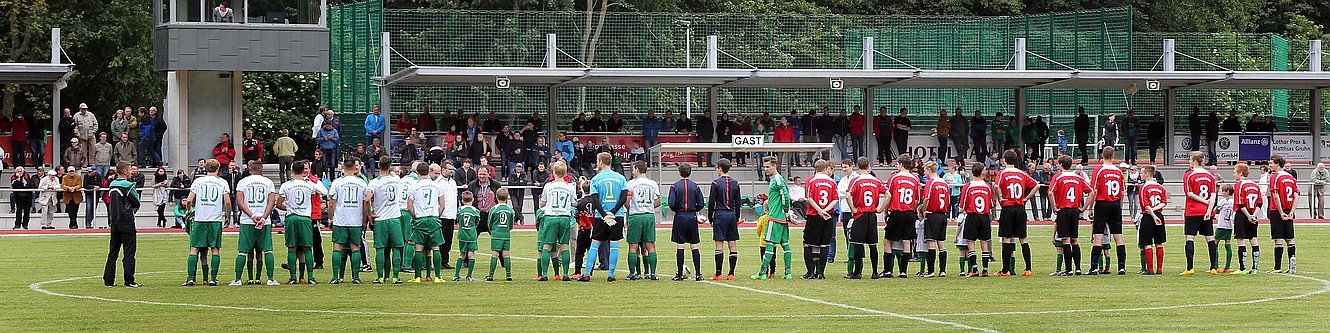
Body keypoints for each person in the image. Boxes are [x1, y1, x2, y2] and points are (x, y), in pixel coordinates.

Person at [579, 152, 629, 282]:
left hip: (601, 216)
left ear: (601, 161)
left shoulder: (596, 179)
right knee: (614, 245)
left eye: (597, 160)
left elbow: (595, 199)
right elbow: (623, 197)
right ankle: (611, 275)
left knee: (595, 244)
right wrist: (612, 212)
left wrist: (604, 214)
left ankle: (587, 274)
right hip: (616, 216)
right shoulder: (621, 178)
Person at [229, 161, 278, 286]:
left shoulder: (243, 182)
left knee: (243, 251)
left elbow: (239, 201)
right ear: (261, 170)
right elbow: (272, 202)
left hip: (247, 220)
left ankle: (238, 279)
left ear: (249, 169)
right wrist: (263, 217)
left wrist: (251, 216)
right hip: (264, 221)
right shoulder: (268, 182)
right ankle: (270, 279)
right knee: (267, 250)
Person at [278, 161, 328, 284]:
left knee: (292, 248)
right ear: (303, 171)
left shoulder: (286, 185)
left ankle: (292, 278)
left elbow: (279, 204)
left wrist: (288, 208)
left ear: (292, 170)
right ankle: (310, 277)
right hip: (305, 218)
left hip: (291, 218)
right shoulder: (310, 185)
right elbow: (324, 192)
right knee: (307, 248)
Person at [183, 159, 231, 286]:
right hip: (214, 220)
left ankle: (191, 278)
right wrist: (228, 216)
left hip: (200, 219)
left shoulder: (198, 181)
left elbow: (188, 200)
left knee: (194, 248)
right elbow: (227, 202)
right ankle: (213, 279)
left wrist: (189, 211)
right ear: (218, 168)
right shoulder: (222, 182)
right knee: (215, 249)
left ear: (206, 168)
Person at [994, 150, 1039, 277]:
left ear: (1004, 160)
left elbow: (996, 186)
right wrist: (1026, 198)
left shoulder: (1002, 173)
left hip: (1008, 207)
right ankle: (1028, 269)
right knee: (1023, 238)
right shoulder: (1022, 173)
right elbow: (1036, 185)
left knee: (1007, 238)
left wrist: (1000, 198)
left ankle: (1005, 270)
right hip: (1020, 207)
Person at [750, 156, 793, 280]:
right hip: (782, 218)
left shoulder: (777, 179)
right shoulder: (776, 179)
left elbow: (785, 195)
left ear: (775, 166)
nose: (766, 169)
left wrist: (785, 209)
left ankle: (762, 272)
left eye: (768, 167)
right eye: (765, 167)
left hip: (775, 217)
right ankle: (788, 273)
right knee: (785, 245)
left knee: (769, 244)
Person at [325, 160, 368, 284]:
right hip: (355, 220)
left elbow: (331, 204)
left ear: (343, 167)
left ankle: (335, 277)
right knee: (355, 247)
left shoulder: (337, 182)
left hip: (340, 220)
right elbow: (366, 203)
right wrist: (364, 219)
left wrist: (330, 218)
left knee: (337, 247)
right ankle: (356, 277)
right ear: (355, 167)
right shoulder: (362, 183)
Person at [1047, 155, 1090, 276]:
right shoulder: (1078, 177)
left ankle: (1068, 269)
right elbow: (1091, 192)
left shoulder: (1058, 177)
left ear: (1060, 164)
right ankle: (1078, 269)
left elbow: (1050, 193)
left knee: (1065, 240)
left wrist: (1054, 207)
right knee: (1074, 240)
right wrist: (1084, 208)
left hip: (1063, 210)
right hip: (1075, 211)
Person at [1087, 147, 1127, 275]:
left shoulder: (1099, 170)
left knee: (1098, 236)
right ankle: (1121, 267)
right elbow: (1122, 192)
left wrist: (1090, 207)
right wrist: (1119, 206)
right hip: (1115, 204)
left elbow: (1094, 191)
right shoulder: (1119, 172)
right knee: (1118, 237)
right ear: (1113, 156)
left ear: (1102, 156)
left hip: (1102, 204)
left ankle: (1093, 267)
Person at [365, 157, 404, 284]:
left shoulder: (374, 182)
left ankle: (381, 277)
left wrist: (369, 214)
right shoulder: (396, 179)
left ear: (378, 165)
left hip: (381, 218)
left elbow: (367, 199)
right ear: (390, 166)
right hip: (394, 218)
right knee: (396, 248)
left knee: (381, 249)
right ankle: (396, 276)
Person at [102, 162, 141, 288]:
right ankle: (129, 280)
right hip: (127, 221)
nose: (131, 171)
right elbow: (136, 202)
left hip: (114, 222)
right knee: (129, 252)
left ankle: (109, 280)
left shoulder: (112, 184)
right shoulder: (128, 185)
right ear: (125, 171)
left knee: (113, 252)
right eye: (130, 169)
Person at [405, 163, 446, 283]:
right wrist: (436, 215)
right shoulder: (437, 185)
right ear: (428, 171)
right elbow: (442, 205)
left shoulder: (414, 186)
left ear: (417, 172)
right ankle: (438, 276)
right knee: (435, 247)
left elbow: (409, 207)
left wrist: (416, 217)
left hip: (421, 218)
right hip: (433, 218)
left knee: (418, 248)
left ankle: (417, 276)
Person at [843, 157, 883, 279]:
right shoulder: (876, 180)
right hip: (872, 214)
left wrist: (853, 209)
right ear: (868, 166)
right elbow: (888, 194)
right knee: (873, 245)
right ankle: (875, 272)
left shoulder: (856, 180)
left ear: (857, 166)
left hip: (860, 214)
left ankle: (857, 272)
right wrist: (881, 209)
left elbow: (848, 195)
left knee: (858, 243)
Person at [620, 161, 660, 281]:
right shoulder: (652, 183)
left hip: (635, 216)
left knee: (633, 245)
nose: (632, 171)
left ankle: (633, 273)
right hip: (648, 215)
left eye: (633, 169)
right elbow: (658, 201)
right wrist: (649, 206)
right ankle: (652, 273)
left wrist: (631, 207)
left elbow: (627, 200)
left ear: (637, 169)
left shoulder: (631, 183)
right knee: (650, 245)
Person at [1181, 151, 1219, 276]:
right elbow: (1213, 195)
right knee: (1210, 238)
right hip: (1206, 212)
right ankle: (1213, 267)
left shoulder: (1189, 175)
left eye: (1190, 159)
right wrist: (1209, 209)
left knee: (1190, 237)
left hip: (1192, 211)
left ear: (1194, 161)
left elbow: (1190, 194)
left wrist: (1204, 201)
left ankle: (1190, 268)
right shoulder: (1210, 176)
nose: (1189, 162)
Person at [537, 162, 577, 281]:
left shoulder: (548, 186)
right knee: (565, 246)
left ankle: (544, 274)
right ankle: (565, 274)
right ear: (565, 173)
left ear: (553, 172)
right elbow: (574, 202)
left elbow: (542, 203)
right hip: (564, 217)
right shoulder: (569, 186)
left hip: (551, 217)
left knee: (547, 245)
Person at [665, 162, 705, 281]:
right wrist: (694, 210)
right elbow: (701, 203)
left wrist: (677, 210)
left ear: (679, 173)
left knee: (680, 245)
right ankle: (698, 274)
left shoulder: (674, 186)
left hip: (680, 216)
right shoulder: (696, 186)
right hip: (692, 216)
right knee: (694, 245)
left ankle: (679, 275)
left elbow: (671, 203)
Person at [707, 159, 742, 280]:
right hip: (731, 215)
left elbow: (711, 202)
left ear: (720, 168)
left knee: (719, 243)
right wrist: (737, 217)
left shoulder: (715, 183)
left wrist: (710, 217)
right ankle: (731, 273)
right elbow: (738, 203)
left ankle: (718, 273)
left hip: (720, 214)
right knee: (732, 244)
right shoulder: (736, 183)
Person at [960, 163, 995, 276]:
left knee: (971, 242)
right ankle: (985, 269)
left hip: (972, 216)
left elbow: (963, 205)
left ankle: (974, 269)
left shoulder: (968, 186)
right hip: (984, 216)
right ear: (982, 172)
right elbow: (991, 204)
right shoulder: (987, 186)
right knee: (984, 242)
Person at [918, 161, 950, 277]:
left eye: (925, 170)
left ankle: (930, 270)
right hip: (943, 215)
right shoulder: (944, 183)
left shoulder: (931, 183)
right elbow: (948, 201)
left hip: (932, 214)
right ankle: (942, 270)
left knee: (931, 243)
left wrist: (924, 211)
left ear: (930, 170)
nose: (924, 172)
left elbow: (926, 198)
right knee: (941, 243)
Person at [1267, 155, 1298, 274]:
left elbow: (1275, 195)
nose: (1270, 165)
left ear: (1277, 164)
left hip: (1277, 211)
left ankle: (1277, 267)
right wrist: (1291, 212)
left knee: (1278, 239)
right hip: (1289, 210)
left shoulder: (1275, 177)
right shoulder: (1290, 177)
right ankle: (1292, 264)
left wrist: (1280, 212)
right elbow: (1296, 195)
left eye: (1271, 163)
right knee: (1290, 239)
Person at [1136, 164, 1168, 274]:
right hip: (1159, 215)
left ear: (1146, 174)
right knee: (1159, 243)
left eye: (1141, 173)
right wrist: (1156, 211)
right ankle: (1159, 269)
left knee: (1147, 243)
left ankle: (1150, 269)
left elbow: (1146, 205)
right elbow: (1164, 202)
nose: (1141, 175)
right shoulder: (1160, 187)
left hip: (1149, 216)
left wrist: (1152, 214)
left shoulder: (1143, 187)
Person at [1232, 163, 1262, 274]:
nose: (1234, 174)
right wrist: (1254, 215)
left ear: (1240, 173)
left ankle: (1242, 268)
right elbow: (1260, 203)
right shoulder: (1255, 185)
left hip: (1243, 215)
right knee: (1253, 239)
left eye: (1235, 172)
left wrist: (1248, 216)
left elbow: (1240, 203)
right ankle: (1255, 268)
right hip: (1254, 214)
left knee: (1241, 240)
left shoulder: (1239, 185)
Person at [484, 188, 516, 282]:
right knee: (506, 253)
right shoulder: (510, 209)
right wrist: (507, 229)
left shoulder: (494, 209)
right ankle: (508, 275)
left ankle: (490, 275)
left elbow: (489, 222)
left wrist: (493, 230)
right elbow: (511, 224)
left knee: (495, 253)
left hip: (496, 234)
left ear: (496, 197)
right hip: (506, 234)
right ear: (507, 198)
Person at [453, 191, 482, 281]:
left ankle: (456, 275)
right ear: (473, 200)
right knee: (471, 254)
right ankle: (469, 276)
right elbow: (477, 221)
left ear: (462, 200)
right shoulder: (475, 211)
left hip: (462, 235)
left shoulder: (460, 210)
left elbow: (457, 219)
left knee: (462, 254)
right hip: (472, 235)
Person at [436, 162, 459, 271]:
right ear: (443, 169)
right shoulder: (438, 182)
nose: (451, 171)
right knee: (441, 239)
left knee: (449, 240)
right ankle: (439, 261)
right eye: (449, 169)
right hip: (442, 215)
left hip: (451, 214)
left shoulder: (453, 182)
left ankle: (445, 261)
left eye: (451, 169)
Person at [1214, 185, 1236, 273]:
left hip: (1221, 224)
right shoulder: (1233, 201)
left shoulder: (1223, 201)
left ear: (1227, 192)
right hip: (1229, 225)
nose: (1222, 193)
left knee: (1215, 243)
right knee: (1228, 243)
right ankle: (1227, 267)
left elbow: (1216, 210)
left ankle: (1215, 266)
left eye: (1223, 191)